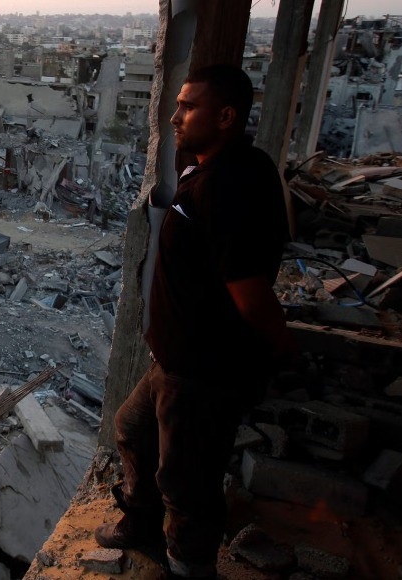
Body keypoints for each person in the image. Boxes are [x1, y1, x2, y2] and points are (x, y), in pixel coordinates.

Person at [94, 64, 296, 578]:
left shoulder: (228, 187)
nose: (175, 116)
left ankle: (188, 564)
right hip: (175, 359)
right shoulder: (219, 169)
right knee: (133, 429)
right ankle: (141, 523)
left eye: (188, 106)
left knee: (186, 483)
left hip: (202, 370)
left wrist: (277, 352)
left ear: (226, 116)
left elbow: (251, 295)